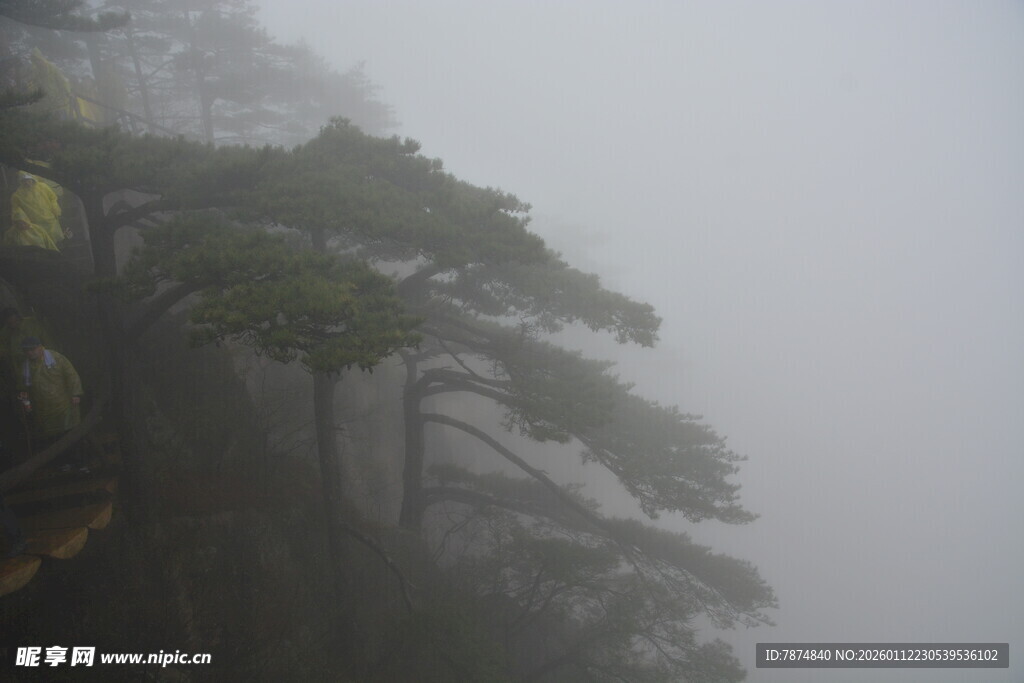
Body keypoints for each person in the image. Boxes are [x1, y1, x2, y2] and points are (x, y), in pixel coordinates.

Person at [16, 337, 83, 454]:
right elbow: (24, 388)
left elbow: (71, 375)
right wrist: (26, 403)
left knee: (70, 433)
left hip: (64, 406)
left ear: (40, 347)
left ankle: (77, 458)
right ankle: (61, 460)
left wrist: (75, 394)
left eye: (32, 349)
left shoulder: (57, 358)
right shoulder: (26, 366)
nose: (30, 353)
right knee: (52, 438)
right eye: (27, 350)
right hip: (43, 410)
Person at [10, 172, 65, 246]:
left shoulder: (43, 186)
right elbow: (16, 210)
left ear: (32, 179)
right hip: (35, 224)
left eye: (28, 180)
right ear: (21, 181)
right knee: (43, 242)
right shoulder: (17, 195)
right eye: (24, 180)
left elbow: (53, 198)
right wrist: (22, 221)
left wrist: (55, 208)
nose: (27, 182)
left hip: (50, 220)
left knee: (56, 240)